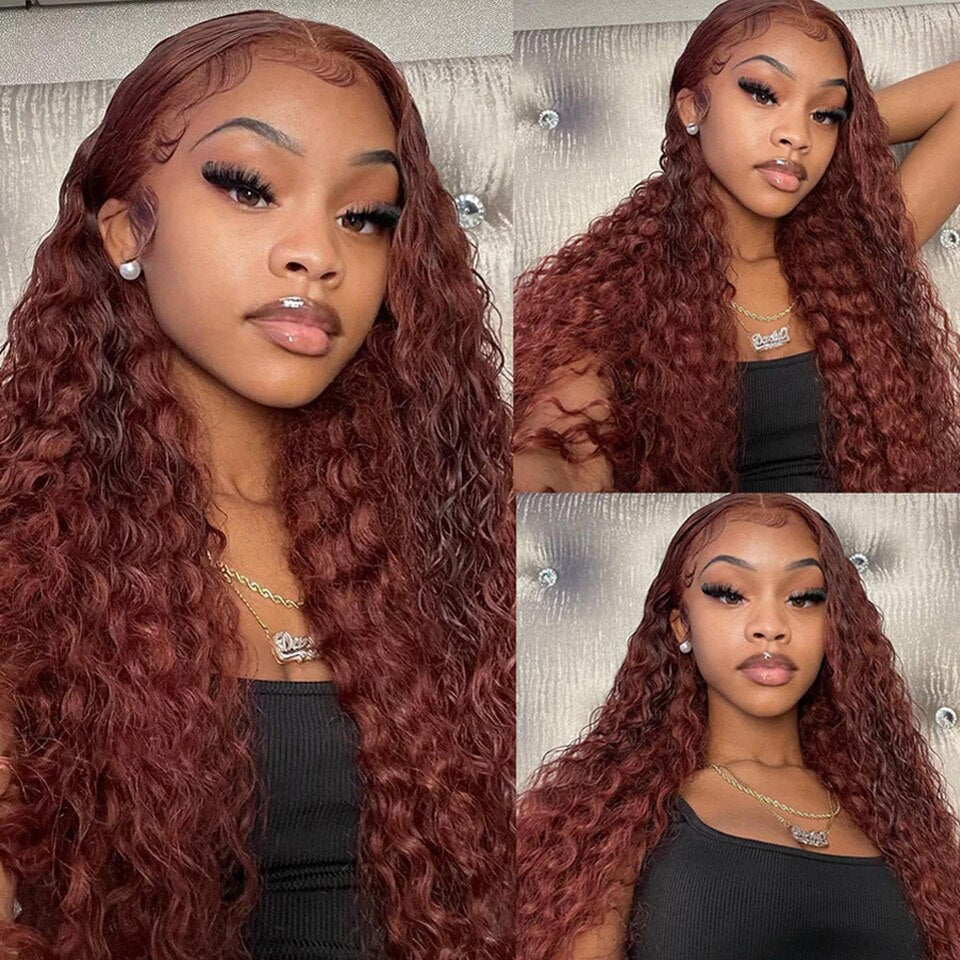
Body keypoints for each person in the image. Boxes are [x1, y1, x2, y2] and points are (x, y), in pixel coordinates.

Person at [0, 11, 513, 960]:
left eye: (366, 216)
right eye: (249, 187)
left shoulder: (449, 531)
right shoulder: (25, 554)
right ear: (125, 229)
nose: (317, 253)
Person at [513, 0, 960, 493]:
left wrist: (853, 136)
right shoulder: (613, 290)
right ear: (692, 107)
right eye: (763, 94)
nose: (797, 136)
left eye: (826, 114)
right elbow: (565, 458)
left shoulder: (854, 257)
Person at [517, 493, 960, 960]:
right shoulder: (610, 814)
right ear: (681, 624)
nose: (770, 626)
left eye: (804, 598)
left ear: (835, 626)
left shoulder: (897, 817)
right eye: (730, 594)